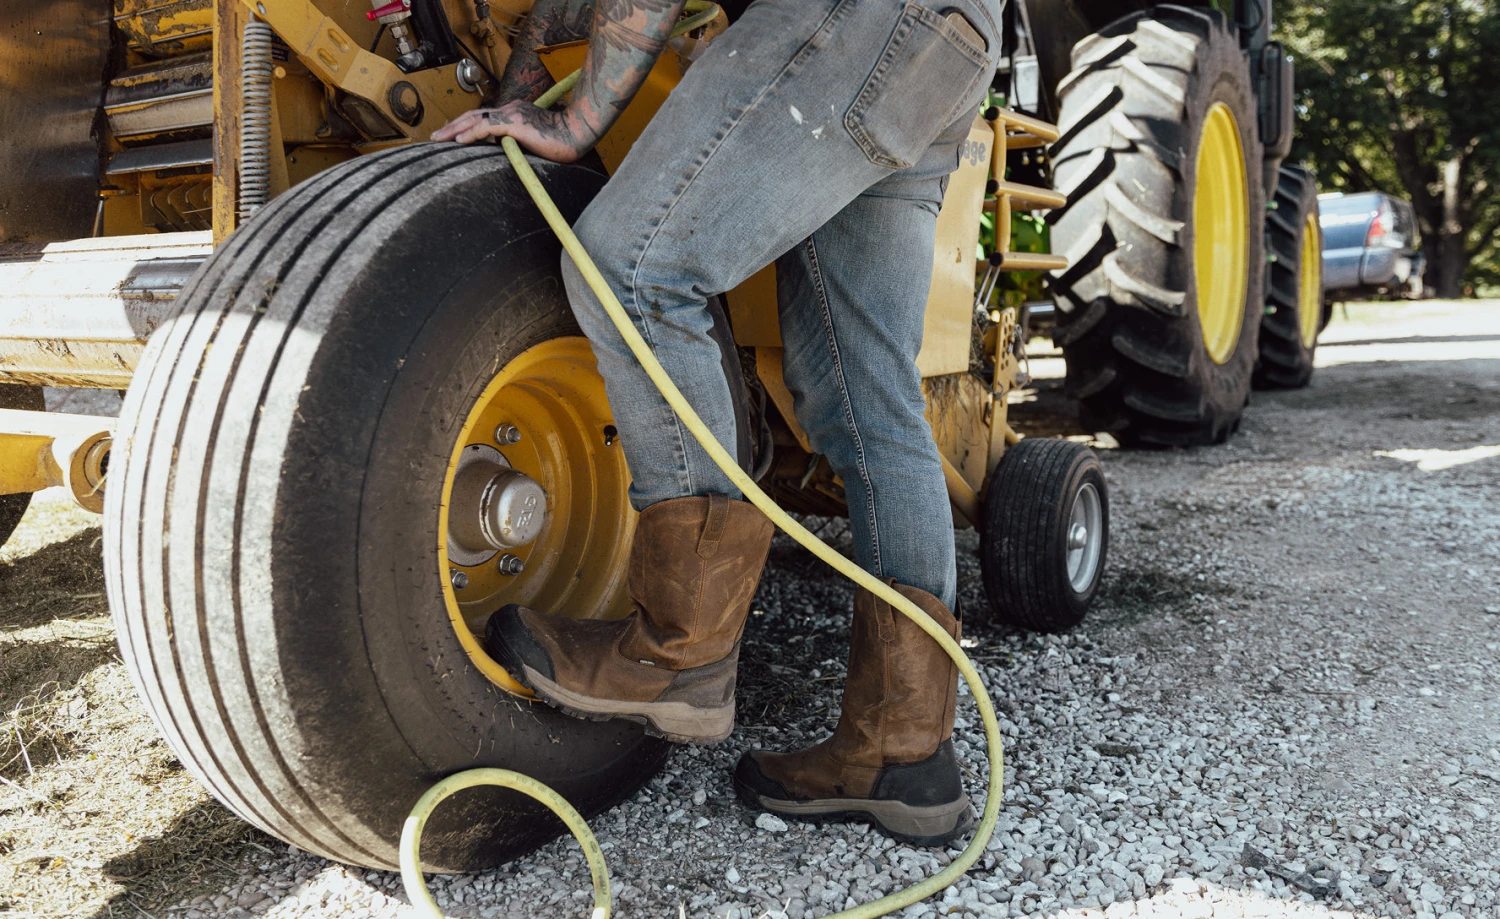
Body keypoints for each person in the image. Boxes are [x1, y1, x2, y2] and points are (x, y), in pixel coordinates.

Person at [433, 0, 1000, 847]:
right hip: (952, 46)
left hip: (856, 18)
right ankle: (903, 756)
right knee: (865, 394)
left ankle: (678, 649)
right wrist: (521, 87)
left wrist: (578, 116)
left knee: (631, 266)